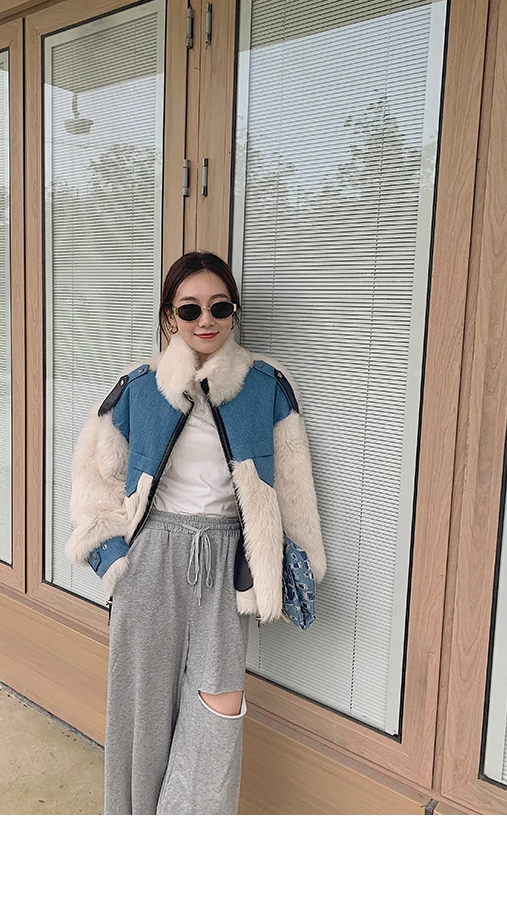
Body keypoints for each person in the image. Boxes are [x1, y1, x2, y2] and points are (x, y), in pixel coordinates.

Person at [65, 251, 327, 815]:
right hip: (152, 559)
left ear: (233, 313)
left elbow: (292, 482)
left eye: (218, 307)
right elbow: (94, 477)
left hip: (224, 561)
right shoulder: (140, 388)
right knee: (142, 714)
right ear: (170, 317)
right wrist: (112, 555)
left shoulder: (266, 386)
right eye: (189, 309)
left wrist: (292, 563)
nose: (205, 320)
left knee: (218, 713)